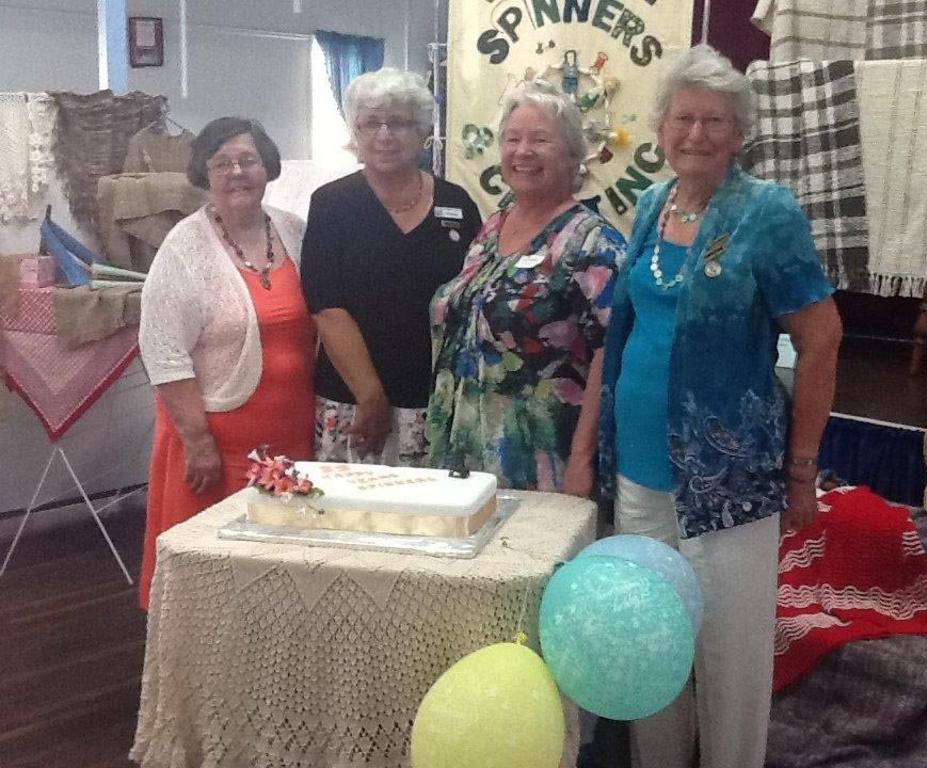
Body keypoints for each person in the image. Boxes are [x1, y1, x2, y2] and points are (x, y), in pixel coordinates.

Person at [598, 45, 843, 767]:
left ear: (739, 134)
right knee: (653, 642)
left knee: (730, 656)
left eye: (714, 121)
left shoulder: (768, 212)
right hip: (640, 468)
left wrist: (802, 468)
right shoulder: (649, 203)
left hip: (728, 478)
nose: (696, 134)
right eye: (683, 118)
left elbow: (822, 340)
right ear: (660, 128)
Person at [138, 117, 314, 609]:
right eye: (222, 163)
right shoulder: (184, 248)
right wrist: (197, 442)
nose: (237, 172)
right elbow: (163, 351)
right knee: (212, 582)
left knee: (280, 572)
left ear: (267, 167)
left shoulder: (294, 231)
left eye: (248, 160)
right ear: (204, 174)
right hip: (216, 448)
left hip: (292, 437)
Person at [427, 79, 626, 496]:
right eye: (512, 139)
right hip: (465, 451)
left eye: (540, 140)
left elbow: (612, 354)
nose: (523, 152)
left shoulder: (593, 242)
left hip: (541, 457)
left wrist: (584, 458)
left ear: (573, 155)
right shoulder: (493, 226)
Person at [301, 68, 482, 467]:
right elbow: (326, 307)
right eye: (371, 123)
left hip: (437, 402)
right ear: (355, 134)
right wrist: (371, 396)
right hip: (355, 405)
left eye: (398, 122)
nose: (384, 135)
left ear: (423, 133)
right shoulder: (331, 204)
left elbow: (472, 299)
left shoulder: (458, 203)